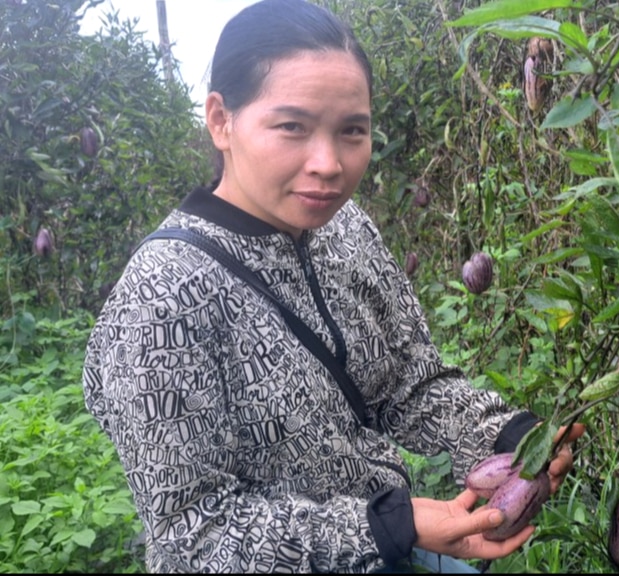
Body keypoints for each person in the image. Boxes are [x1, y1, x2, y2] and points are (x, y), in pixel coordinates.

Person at [81, 0, 585, 572]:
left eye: (352, 132)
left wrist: (509, 436)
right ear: (222, 120)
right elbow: (193, 538)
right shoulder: (163, 294)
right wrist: (387, 527)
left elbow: (407, 383)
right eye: (292, 127)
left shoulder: (343, 228)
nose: (328, 163)